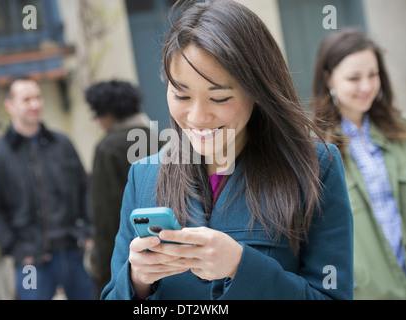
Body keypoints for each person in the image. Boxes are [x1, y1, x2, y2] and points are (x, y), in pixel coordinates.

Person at [102, 0, 353, 300]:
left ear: (258, 91)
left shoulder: (315, 166)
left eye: (219, 98)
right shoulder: (143, 176)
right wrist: (137, 280)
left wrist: (239, 265)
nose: (197, 117)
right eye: (181, 95)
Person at [0, 75, 95, 300]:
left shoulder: (62, 143)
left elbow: (85, 188)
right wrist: (18, 249)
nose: (35, 104)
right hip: (31, 263)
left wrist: (88, 231)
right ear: (9, 106)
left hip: (74, 253)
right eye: (26, 99)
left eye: (37, 97)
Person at [311, 28, 406, 299]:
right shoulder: (316, 150)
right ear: (328, 77)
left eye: (373, 75)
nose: (366, 87)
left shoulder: (400, 132)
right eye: (354, 78)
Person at [84, 80, 164, 297]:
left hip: (125, 252)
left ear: (107, 114)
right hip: (161, 242)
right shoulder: (155, 138)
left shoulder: (108, 147)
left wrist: (99, 261)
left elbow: (106, 213)